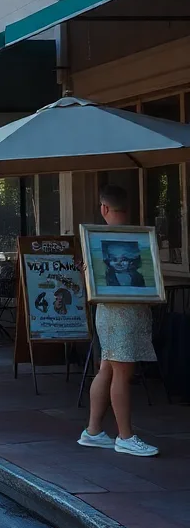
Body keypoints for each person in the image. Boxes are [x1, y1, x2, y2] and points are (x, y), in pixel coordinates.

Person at [78, 186, 159, 457]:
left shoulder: (96, 240)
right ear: (128, 206)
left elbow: (86, 282)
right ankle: (125, 436)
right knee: (122, 373)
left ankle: (93, 431)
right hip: (127, 313)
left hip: (108, 312)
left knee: (107, 369)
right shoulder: (140, 239)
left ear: (103, 208)